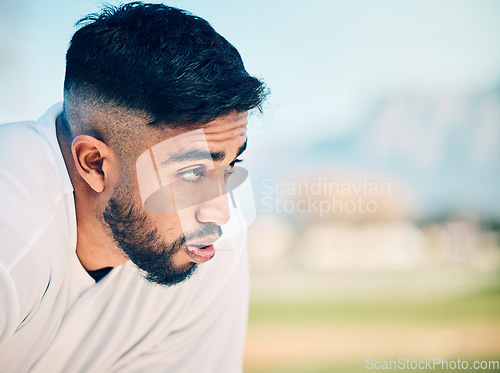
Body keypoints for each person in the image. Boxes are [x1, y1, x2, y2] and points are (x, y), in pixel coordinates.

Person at [0, 2, 267, 372]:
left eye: (230, 164)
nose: (220, 212)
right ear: (93, 162)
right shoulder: (10, 227)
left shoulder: (210, 244)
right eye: (191, 173)